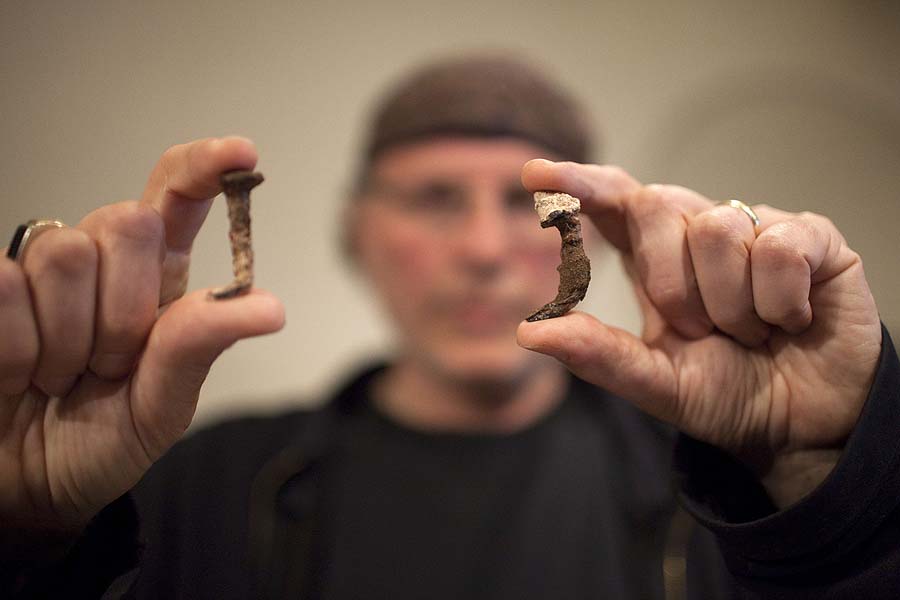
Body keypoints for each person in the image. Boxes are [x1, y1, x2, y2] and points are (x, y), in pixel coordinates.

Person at [1, 54, 898, 599]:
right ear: (358, 232)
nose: (480, 248)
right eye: (434, 199)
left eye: (529, 206)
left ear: (582, 235)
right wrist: (32, 544)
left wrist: (826, 490)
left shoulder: (726, 501)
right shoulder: (197, 491)